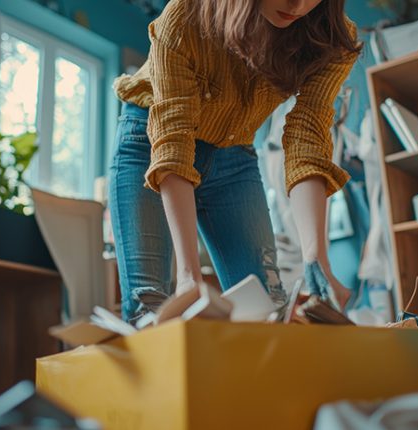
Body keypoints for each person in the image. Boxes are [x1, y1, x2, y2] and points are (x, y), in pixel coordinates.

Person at [109, 0, 361, 322]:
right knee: (152, 308)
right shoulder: (185, 15)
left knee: (266, 311)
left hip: (233, 156)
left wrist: (317, 257)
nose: (298, 5)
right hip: (150, 141)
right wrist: (188, 276)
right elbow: (173, 141)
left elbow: (307, 141)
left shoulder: (331, 37)